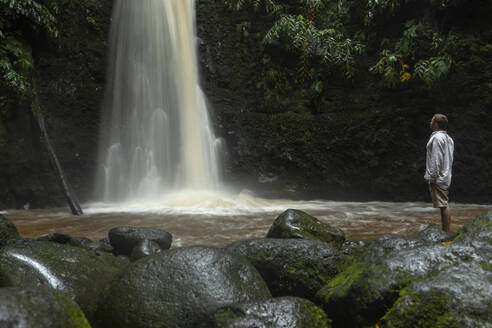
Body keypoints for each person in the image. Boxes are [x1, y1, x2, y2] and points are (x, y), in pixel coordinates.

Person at [424, 114, 454, 232]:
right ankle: (445, 231)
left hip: (438, 177)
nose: (430, 123)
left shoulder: (437, 138)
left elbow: (436, 159)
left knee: (443, 205)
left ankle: (446, 234)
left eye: (431, 121)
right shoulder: (448, 138)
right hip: (445, 175)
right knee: (443, 205)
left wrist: (433, 177)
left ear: (436, 124)